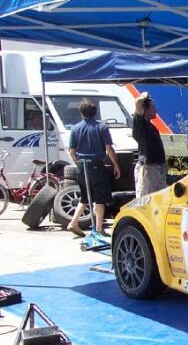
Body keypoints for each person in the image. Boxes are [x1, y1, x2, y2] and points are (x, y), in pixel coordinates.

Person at [66, 99, 121, 237]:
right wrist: (116, 165)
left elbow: (72, 151)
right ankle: (99, 228)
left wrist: (78, 163)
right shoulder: (101, 127)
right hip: (96, 165)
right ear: (95, 112)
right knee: (100, 197)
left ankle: (73, 222)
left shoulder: (75, 129)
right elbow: (109, 148)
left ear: (81, 113)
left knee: (85, 196)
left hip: (81, 165)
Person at [132, 92, 167, 197]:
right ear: (145, 109)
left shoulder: (151, 126)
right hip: (148, 168)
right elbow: (138, 102)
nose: (155, 110)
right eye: (153, 107)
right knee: (146, 200)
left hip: (157, 167)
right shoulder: (140, 123)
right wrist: (144, 96)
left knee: (159, 199)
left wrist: (164, 163)